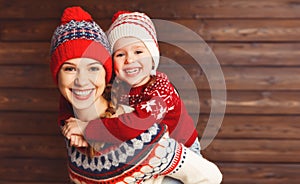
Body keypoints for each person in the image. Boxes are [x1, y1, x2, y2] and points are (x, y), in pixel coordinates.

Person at [51, 6, 222, 184]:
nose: (130, 60)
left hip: (182, 148)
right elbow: (69, 99)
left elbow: (134, 124)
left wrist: (88, 129)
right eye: (120, 54)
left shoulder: (160, 91)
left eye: (138, 51)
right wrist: (68, 126)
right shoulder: (117, 89)